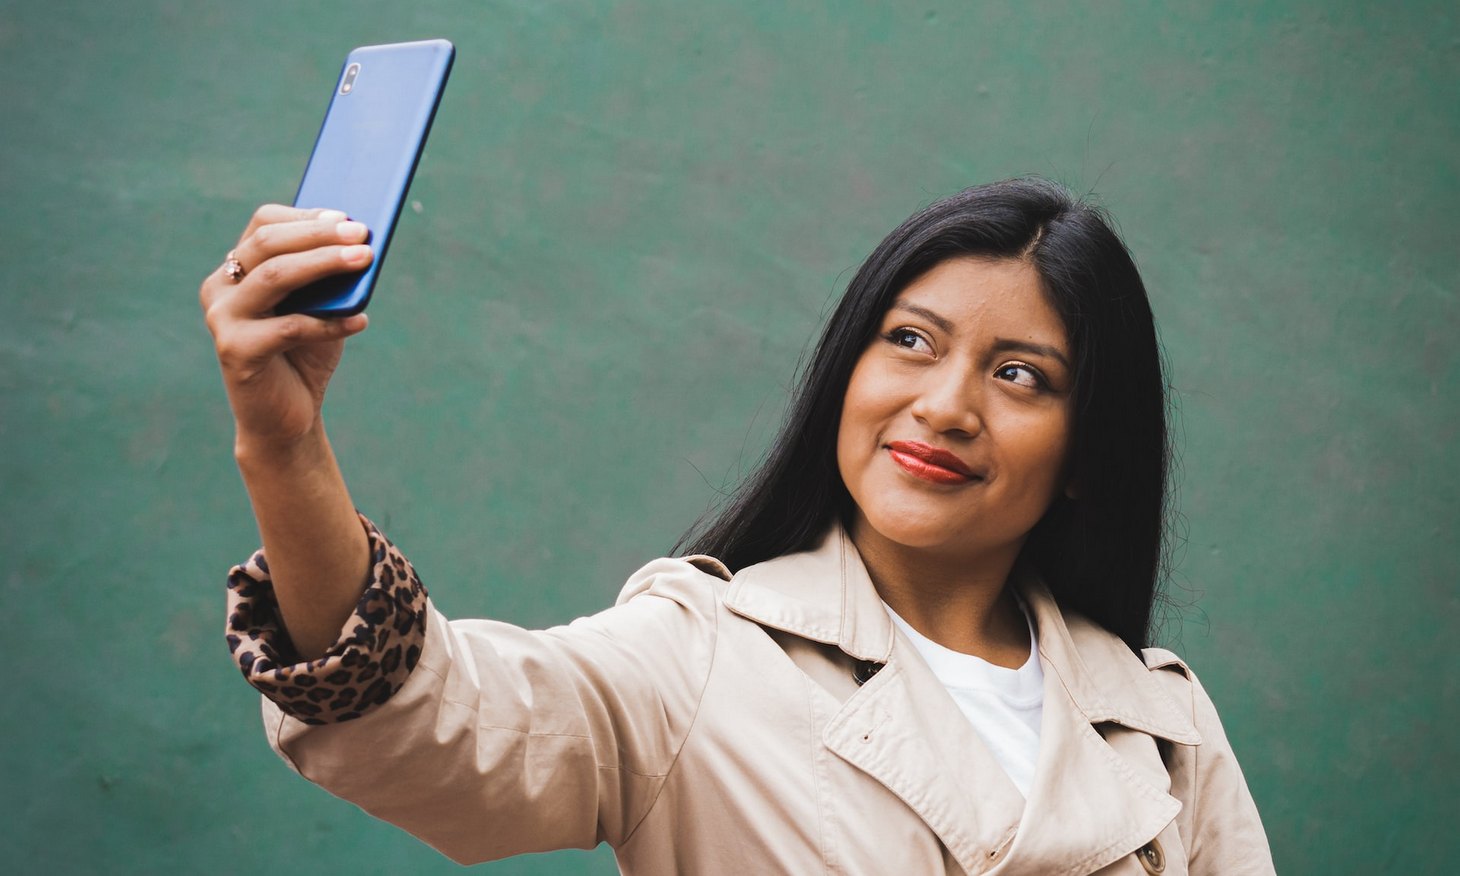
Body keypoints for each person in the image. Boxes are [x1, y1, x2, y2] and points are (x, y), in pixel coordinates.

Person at [204, 178, 1275, 874]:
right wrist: (284, 447)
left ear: (1089, 451)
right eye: (909, 339)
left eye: (1017, 374)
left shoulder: (1160, 727)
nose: (945, 404)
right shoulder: (699, 652)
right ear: (844, 369)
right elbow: (432, 723)